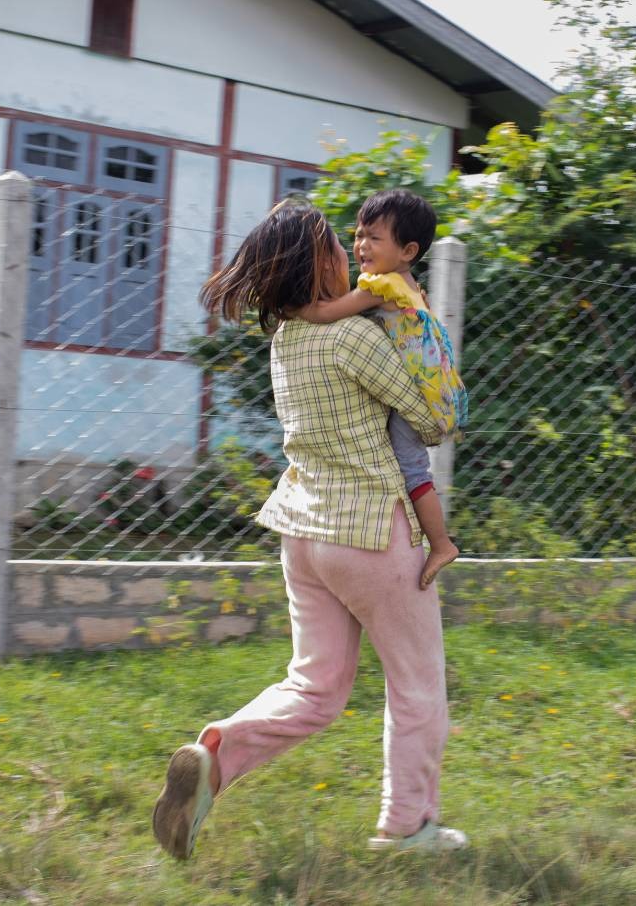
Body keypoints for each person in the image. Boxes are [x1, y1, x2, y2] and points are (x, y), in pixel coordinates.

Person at [152, 200, 468, 861]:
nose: (349, 249)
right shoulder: (356, 337)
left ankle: (215, 754)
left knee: (314, 685)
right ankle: (408, 827)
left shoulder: (287, 337)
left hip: (303, 531)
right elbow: (432, 420)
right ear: (316, 262)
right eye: (336, 243)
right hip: (372, 531)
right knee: (416, 683)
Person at [297, 188, 467, 591]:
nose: (360, 245)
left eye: (374, 237)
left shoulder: (380, 286)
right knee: (409, 466)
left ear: (408, 250)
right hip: (431, 388)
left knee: (412, 469)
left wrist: (295, 307)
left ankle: (441, 544)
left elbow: (327, 312)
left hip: (418, 399)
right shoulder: (406, 284)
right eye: (358, 235)